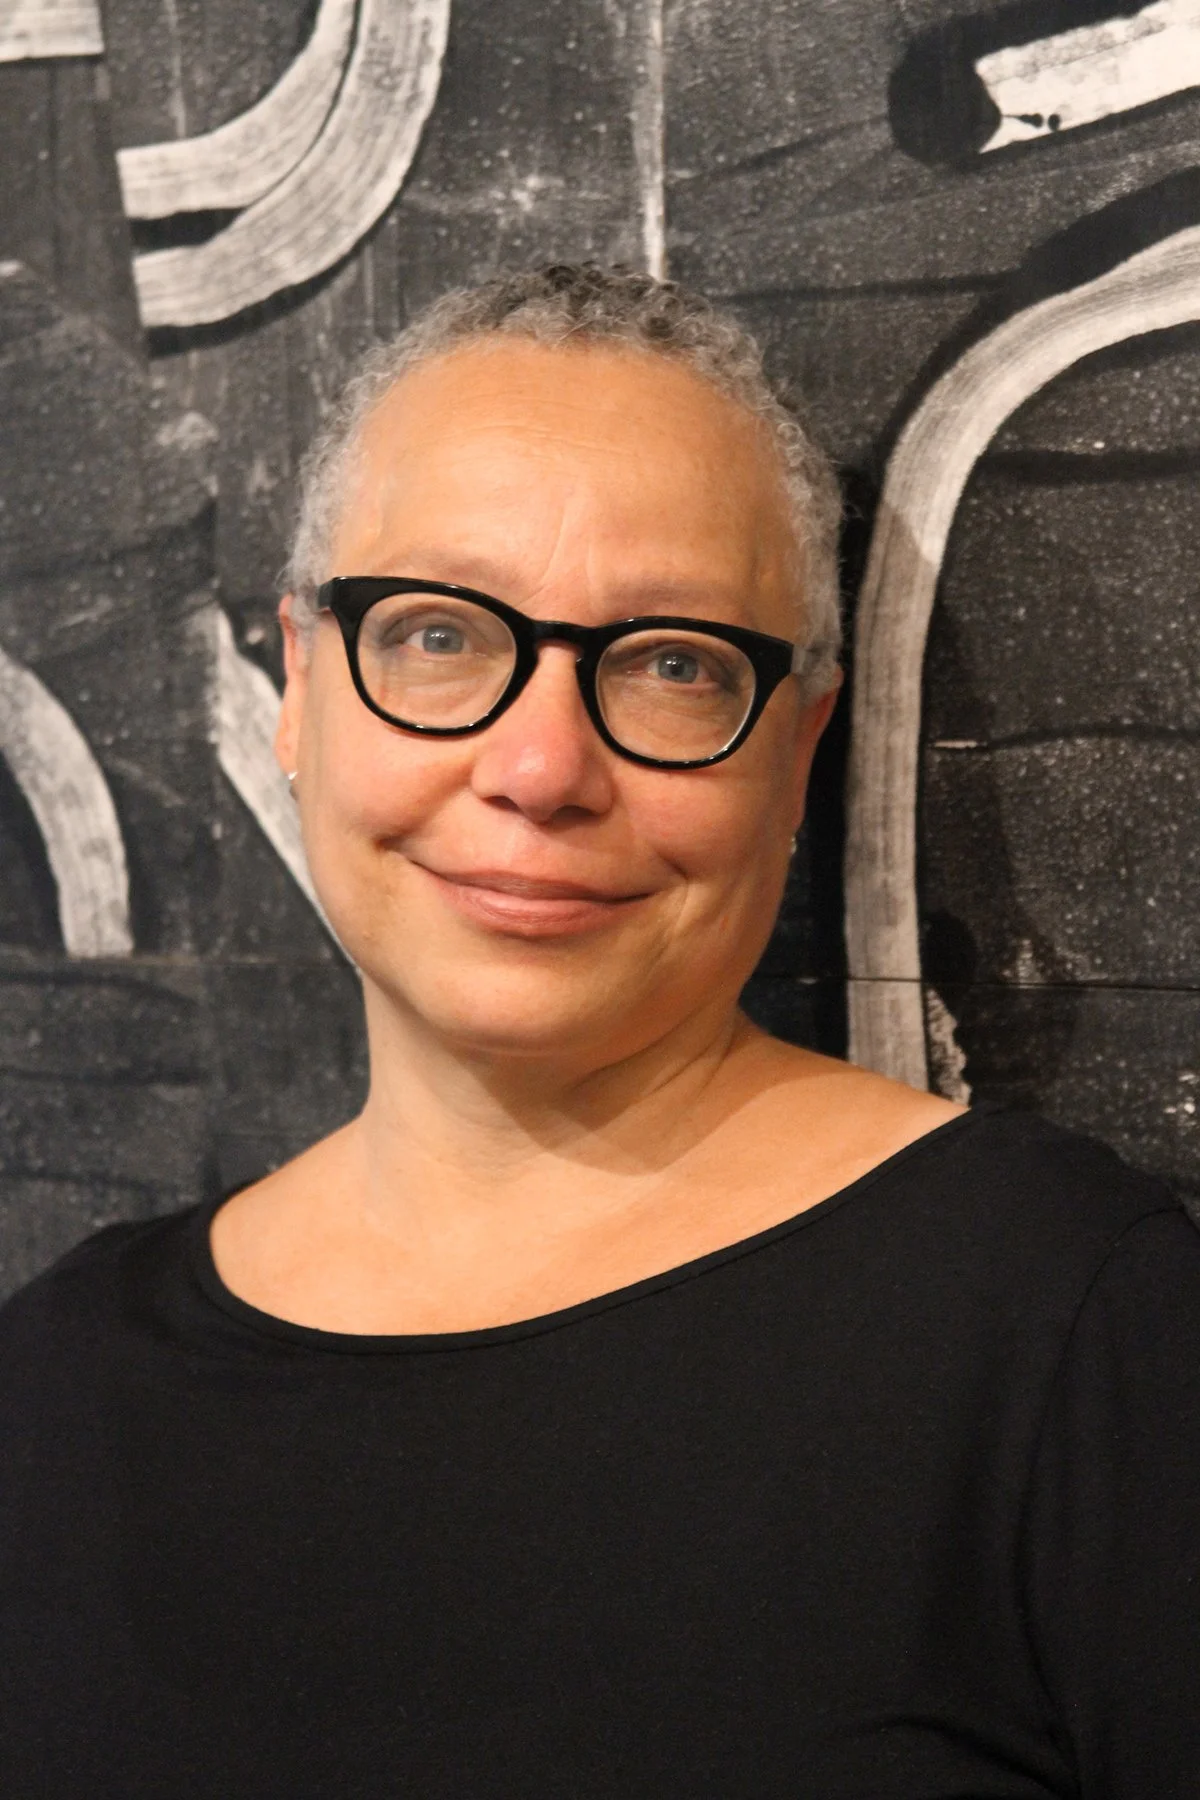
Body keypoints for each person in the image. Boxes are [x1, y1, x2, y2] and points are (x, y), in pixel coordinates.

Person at [1, 263, 1197, 1797]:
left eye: (675, 663)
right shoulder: (55, 1391)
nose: (541, 766)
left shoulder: (1067, 1333)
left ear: (798, 740)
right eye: (437, 636)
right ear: (299, 684)